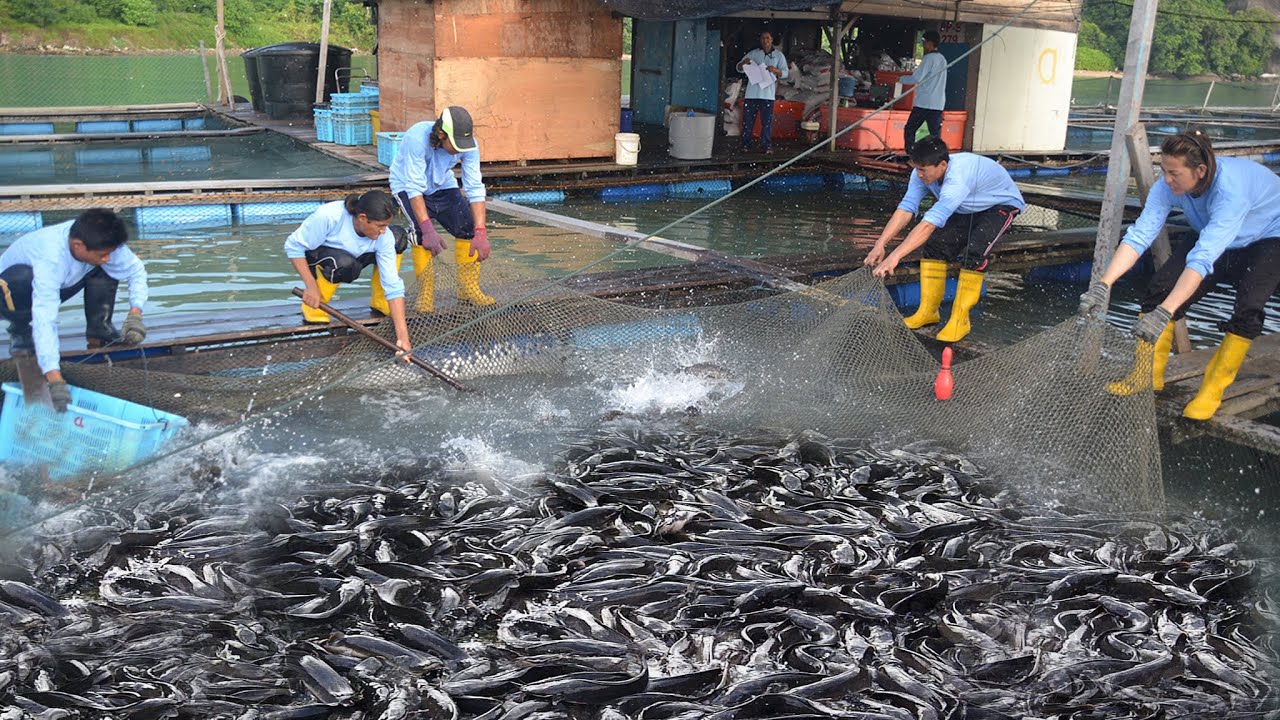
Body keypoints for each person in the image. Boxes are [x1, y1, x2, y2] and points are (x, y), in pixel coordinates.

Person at [1078, 130, 1280, 420]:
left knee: (1249, 305)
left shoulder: (1230, 191)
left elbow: (1202, 259)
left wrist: (1166, 312)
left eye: (1174, 173)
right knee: (1160, 288)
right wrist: (1103, 285)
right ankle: (1146, 375)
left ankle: (1213, 388)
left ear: (1200, 170)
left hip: (1269, 235)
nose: (1167, 179)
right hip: (1213, 231)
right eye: (1163, 171)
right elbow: (1140, 235)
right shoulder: (1167, 186)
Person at [864, 136, 1024, 343]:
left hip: (1000, 205)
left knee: (974, 251)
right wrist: (880, 244)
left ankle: (960, 319)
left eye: (923, 170)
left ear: (942, 165)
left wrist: (895, 257)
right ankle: (928, 312)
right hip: (967, 205)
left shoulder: (957, 179)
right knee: (935, 247)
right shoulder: (920, 174)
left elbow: (930, 224)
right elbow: (907, 207)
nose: (919, 174)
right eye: (916, 168)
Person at [0, 209, 148, 412]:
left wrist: (135, 314)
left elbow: (136, 271)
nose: (106, 257)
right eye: (102, 254)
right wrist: (54, 377)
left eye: (109, 252)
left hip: (63, 282)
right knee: (21, 279)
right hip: (11, 292)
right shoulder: (50, 257)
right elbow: (45, 318)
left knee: (107, 267)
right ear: (78, 245)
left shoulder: (100, 239)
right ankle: (20, 330)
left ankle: (99, 329)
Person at [285, 190, 414, 363]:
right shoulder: (329, 216)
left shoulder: (384, 236)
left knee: (398, 237)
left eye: (386, 225)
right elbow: (293, 246)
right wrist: (310, 286)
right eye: (380, 226)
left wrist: (403, 337)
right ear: (362, 218)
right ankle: (314, 306)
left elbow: (393, 285)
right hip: (321, 257)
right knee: (344, 264)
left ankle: (379, 301)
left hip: (355, 256)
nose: (384, 231)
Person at [388, 106, 493, 311]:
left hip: (442, 183)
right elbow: (414, 188)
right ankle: (425, 295)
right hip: (407, 186)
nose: (461, 150)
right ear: (441, 134)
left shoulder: (470, 146)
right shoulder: (417, 138)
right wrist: (428, 229)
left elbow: (474, 187)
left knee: (467, 227)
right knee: (420, 234)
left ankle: (468, 290)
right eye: (456, 144)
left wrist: (481, 231)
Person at [735, 30, 788, 155]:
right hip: (751, 94)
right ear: (760, 40)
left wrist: (776, 70)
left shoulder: (778, 56)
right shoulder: (754, 54)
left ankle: (766, 145)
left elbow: (786, 73)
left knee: (766, 123)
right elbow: (738, 68)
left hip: (768, 95)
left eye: (768, 38)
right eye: (763, 38)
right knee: (747, 122)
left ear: (772, 40)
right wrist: (743, 63)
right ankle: (746, 144)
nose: (765, 40)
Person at [900, 30, 947, 156]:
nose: (923, 45)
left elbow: (916, 78)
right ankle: (938, 157)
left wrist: (900, 79)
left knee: (910, 129)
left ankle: (911, 154)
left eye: (924, 42)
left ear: (930, 43)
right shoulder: (942, 59)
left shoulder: (928, 59)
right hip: (937, 104)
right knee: (935, 135)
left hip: (924, 103)